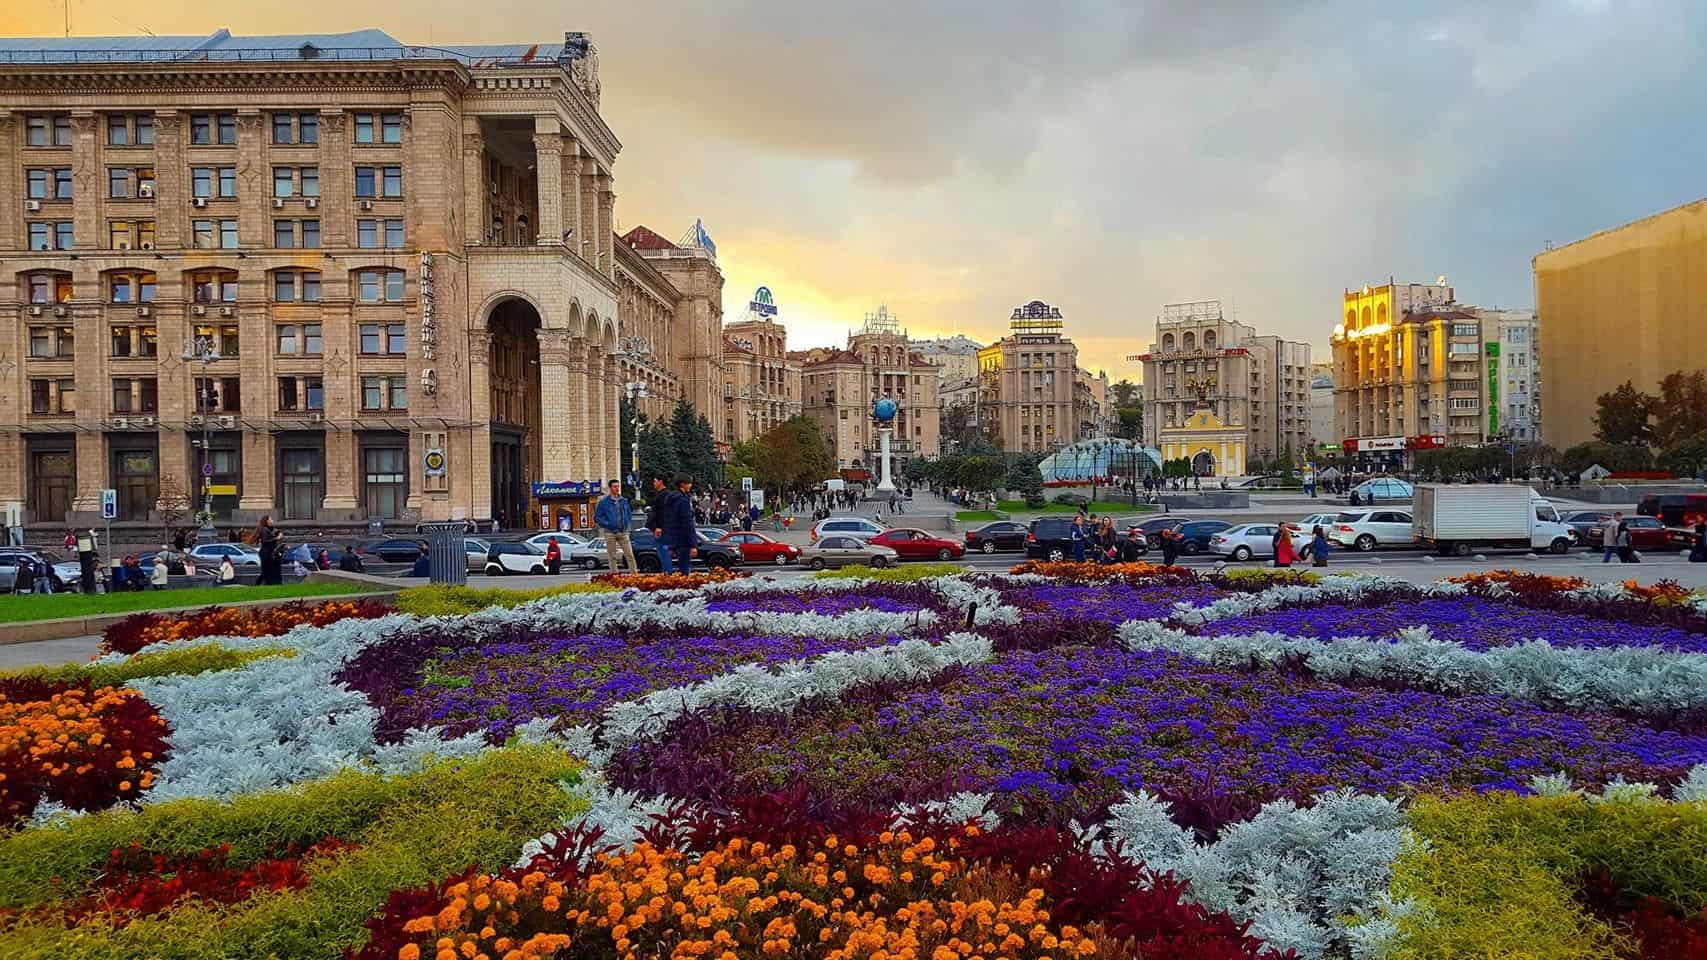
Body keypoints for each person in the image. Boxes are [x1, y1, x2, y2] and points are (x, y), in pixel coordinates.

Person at [660, 473, 698, 575]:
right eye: (689, 483)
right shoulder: (684, 500)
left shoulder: (670, 499)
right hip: (684, 539)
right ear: (682, 484)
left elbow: (668, 520)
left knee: (677, 567)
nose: (690, 485)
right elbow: (688, 523)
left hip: (674, 538)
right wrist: (693, 545)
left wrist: (671, 545)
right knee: (685, 568)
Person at [595, 480, 638, 572]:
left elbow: (628, 514)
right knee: (612, 555)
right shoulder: (604, 502)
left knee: (629, 554)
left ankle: (634, 574)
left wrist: (627, 525)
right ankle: (614, 574)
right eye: (614, 486)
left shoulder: (623, 501)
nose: (617, 488)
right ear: (610, 488)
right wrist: (608, 524)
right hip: (610, 532)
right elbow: (597, 517)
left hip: (623, 532)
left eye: (618, 486)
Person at [256, 516, 283, 585]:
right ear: (267, 521)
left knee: (267, 571)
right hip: (266, 553)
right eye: (271, 519)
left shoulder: (268, 529)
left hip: (268, 553)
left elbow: (274, 531)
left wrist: (279, 533)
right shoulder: (264, 530)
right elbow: (265, 540)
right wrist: (277, 538)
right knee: (266, 571)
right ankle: (260, 584)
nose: (272, 520)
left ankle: (267, 583)